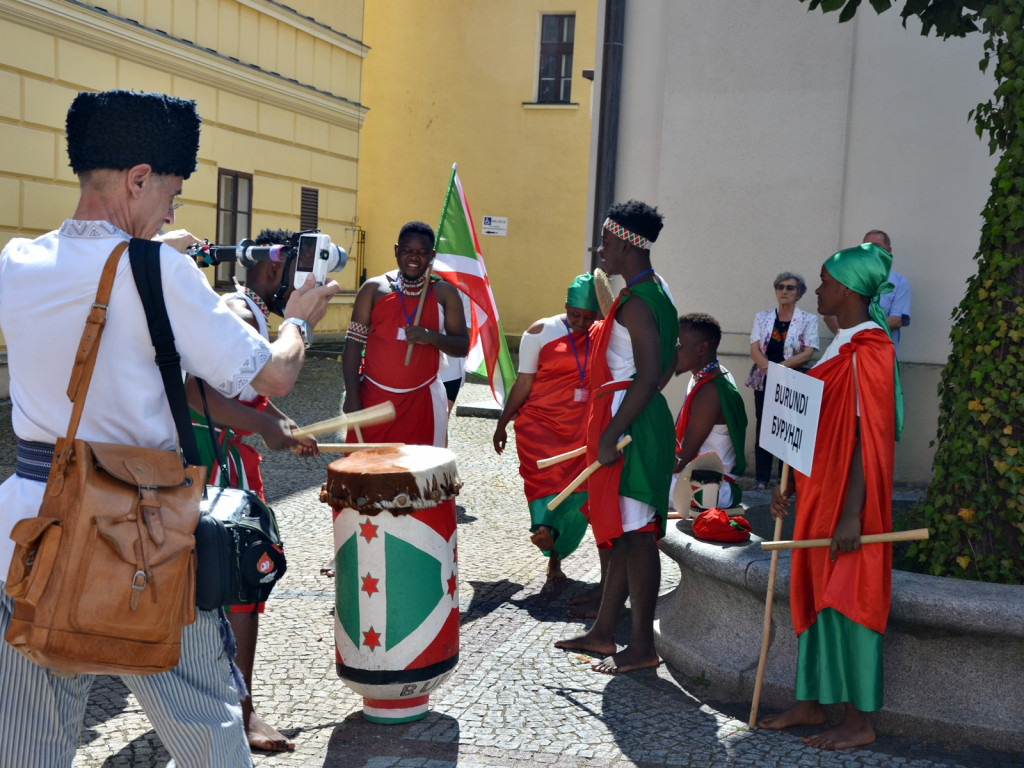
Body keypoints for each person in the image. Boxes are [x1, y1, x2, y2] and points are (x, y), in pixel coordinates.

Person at [0, 90, 338, 767]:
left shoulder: (16, 262)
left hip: (27, 528)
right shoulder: (161, 271)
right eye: (172, 193)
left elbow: (100, 286)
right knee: (206, 729)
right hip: (138, 532)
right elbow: (269, 378)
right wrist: (298, 319)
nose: (172, 211)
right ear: (136, 178)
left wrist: (152, 250)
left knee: (30, 741)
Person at [758, 242, 903, 751]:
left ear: (845, 289)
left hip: (849, 500)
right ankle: (811, 700)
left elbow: (869, 436)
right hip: (819, 492)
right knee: (815, 590)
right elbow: (811, 426)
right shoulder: (840, 347)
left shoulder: (871, 350)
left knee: (850, 596)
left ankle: (860, 720)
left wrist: (853, 512)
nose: (816, 289)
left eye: (823, 281)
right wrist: (787, 483)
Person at [185, 227, 317, 753]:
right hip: (219, 472)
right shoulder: (240, 316)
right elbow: (196, 392)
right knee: (241, 590)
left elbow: (251, 390)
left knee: (218, 591)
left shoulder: (238, 311)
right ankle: (241, 714)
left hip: (217, 465)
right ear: (273, 272)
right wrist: (262, 428)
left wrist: (281, 422)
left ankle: (216, 704)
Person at [554, 200, 677, 675]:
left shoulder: (644, 301)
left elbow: (649, 376)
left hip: (633, 429)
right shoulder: (648, 296)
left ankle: (643, 647)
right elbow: (666, 364)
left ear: (627, 243)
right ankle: (605, 633)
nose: (600, 248)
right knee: (622, 537)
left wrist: (614, 430)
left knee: (639, 538)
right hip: (632, 419)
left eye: (606, 240)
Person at [492, 274, 601, 581]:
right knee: (543, 485)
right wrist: (503, 422)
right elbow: (523, 381)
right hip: (540, 425)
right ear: (565, 306)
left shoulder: (602, 334)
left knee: (578, 491)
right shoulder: (539, 331)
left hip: (580, 428)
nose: (580, 323)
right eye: (574, 315)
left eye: (588, 317)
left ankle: (556, 555)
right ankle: (542, 529)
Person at [342, 221, 468, 446]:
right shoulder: (373, 290)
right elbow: (352, 344)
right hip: (373, 400)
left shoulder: (444, 293)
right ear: (396, 250)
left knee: (421, 476)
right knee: (366, 473)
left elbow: (461, 346)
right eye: (408, 250)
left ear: (432, 255)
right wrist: (352, 396)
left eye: (421, 253)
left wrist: (431, 337)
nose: (413, 257)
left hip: (423, 401)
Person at [748, 272, 819, 489]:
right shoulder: (763, 317)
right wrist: (769, 369)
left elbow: (808, 352)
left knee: (788, 429)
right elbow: (754, 349)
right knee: (764, 426)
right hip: (765, 377)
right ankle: (761, 479)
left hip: (794, 379)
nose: (784, 291)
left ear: (799, 294)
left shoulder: (808, 319)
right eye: (780, 287)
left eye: (790, 288)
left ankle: (785, 480)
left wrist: (779, 369)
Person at [673, 313, 747, 509]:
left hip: (710, 487)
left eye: (679, 346)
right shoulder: (711, 375)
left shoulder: (709, 391)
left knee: (638, 486)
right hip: (700, 477)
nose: (673, 351)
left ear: (702, 348)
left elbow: (682, 458)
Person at [825, 230, 911, 356]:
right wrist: (845, 338)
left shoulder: (899, 283)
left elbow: (896, 320)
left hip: (880, 357)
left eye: (877, 246)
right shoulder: (846, 279)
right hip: (845, 353)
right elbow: (830, 315)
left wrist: (859, 335)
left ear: (889, 250)